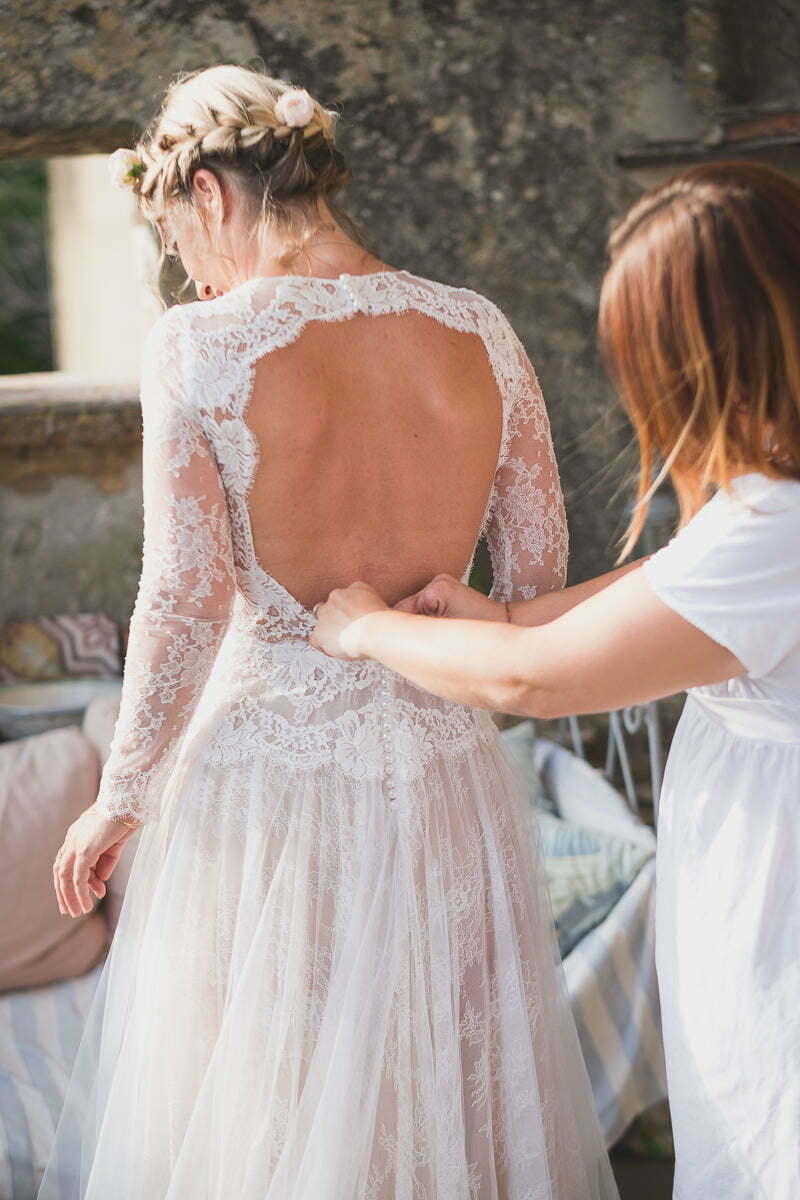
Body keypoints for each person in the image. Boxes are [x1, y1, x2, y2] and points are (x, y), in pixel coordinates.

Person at [41, 64, 619, 1199]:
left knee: (275, 1113)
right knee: (443, 1101)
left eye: (180, 243)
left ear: (208, 193)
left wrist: (123, 793)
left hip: (270, 788)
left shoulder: (195, 349)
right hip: (447, 772)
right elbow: (538, 571)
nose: (190, 277)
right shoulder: (478, 329)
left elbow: (182, 600)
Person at [312, 160, 800, 1200]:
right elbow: (659, 588)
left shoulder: (774, 528)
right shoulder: (768, 503)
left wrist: (361, 630)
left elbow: (529, 683)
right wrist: (506, 613)